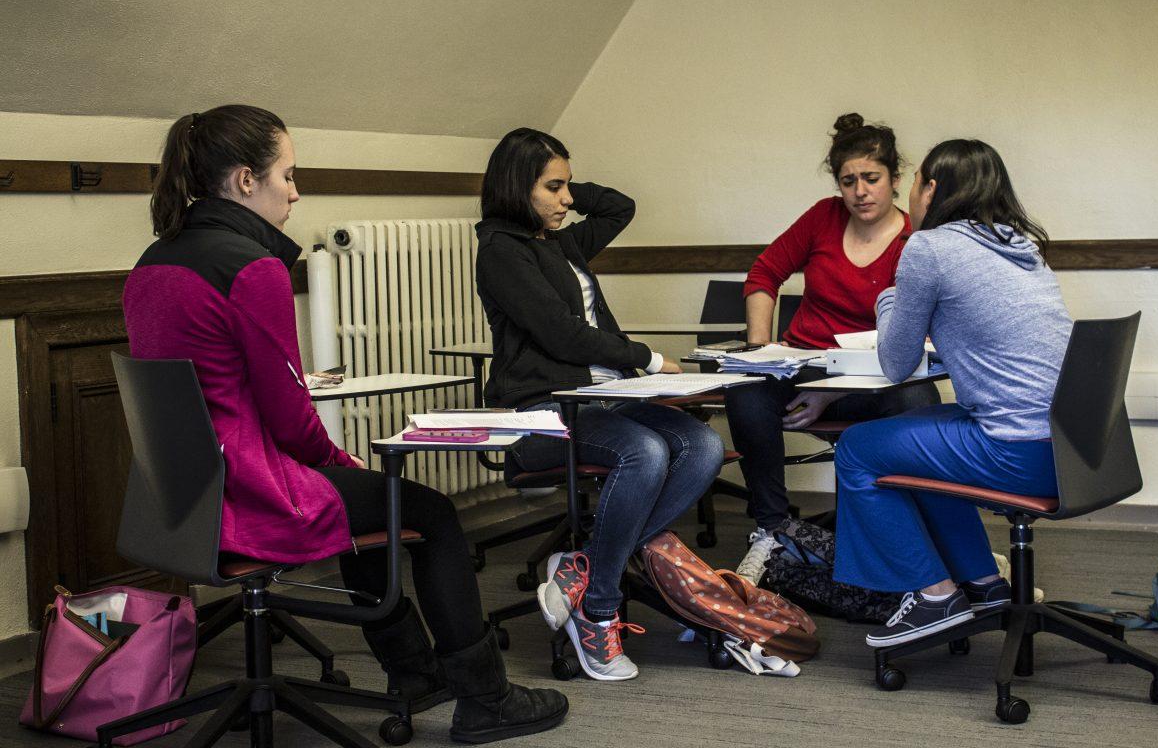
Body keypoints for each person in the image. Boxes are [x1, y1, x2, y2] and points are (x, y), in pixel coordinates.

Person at [122, 105, 567, 743]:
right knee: (431, 514)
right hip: (250, 492)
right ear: (247, 180)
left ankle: (416, 673)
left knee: (370, 506)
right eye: (288, 175)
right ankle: (486, 699)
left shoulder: (152, 262)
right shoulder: (252, 267)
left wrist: (332, 469)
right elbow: (287, 413)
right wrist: (337, 459)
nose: (296, 192)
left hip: (180, 497)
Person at [474, 127, 725, 682]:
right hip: (542, 409)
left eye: (568, 187)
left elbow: (619, 207)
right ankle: (599, 609)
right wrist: (650, 359)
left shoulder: (556, 240)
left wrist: (562, 190)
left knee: (703, 444)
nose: (567, 199)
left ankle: (585, 563)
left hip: (605, 397)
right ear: (518, 187)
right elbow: (562, 336)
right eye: (554, 187)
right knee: (645, 452)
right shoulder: (500, 251)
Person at [832, 138, 1072, 647]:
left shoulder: (930, 247)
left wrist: (888, 298)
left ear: (932, 189)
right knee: (920, 436)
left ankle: (934, 596)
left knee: (857, 449)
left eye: (915, 182)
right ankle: (985, 584)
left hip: (1017, 452)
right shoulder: (1019, 246)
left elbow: (896, 365)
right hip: (1072, 449)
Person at [724, 113, 940, 583]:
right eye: (849, 181)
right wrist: (761, 348)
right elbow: (764, 274)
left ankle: (929, 543)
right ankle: (772, 528)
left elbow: (914, 346)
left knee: (919, 401)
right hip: (805, 363)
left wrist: (834, 394)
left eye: (871, 178)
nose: (860, 191)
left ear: (896, 181)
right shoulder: (823, 217)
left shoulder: (916, 241)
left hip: (876, 376)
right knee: (745, 393)